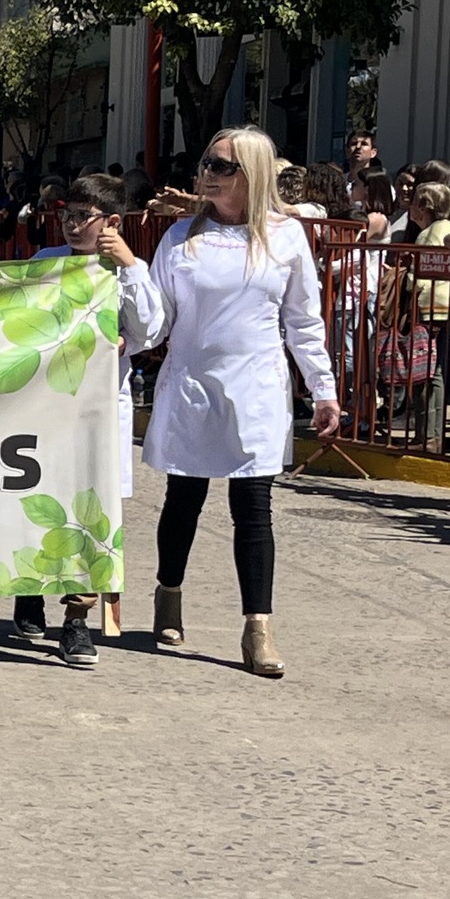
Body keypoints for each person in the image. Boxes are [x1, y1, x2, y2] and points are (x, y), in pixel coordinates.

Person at [142, 126, 339, 678]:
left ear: (252, 175)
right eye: (207, 162)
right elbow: (155, 316)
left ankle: (258, 628)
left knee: (253, 507)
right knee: (184, 496)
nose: (207, 173)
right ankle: (168, 595)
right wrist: (120, 330)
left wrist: (322, 387)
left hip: (256, 389)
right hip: (192, 385)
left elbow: (303, 321)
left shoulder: (286, 237)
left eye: (222, 166)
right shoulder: (180, 237)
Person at [10, 173, 164, 667]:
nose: (72, 226)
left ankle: (77, 618)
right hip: (47, 404)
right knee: (39, 499)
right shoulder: (46, 261)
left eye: (84, 217)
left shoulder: (127, 271)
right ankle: (30, 588)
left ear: (113, 221)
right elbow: (15, 318)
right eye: (67, 216)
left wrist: (129, 271)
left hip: (100, 407)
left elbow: (151, 329)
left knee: (94, 513)